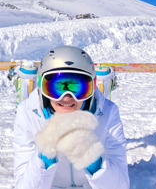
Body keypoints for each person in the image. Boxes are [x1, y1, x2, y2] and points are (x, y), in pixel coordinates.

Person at [13, 45, 130, 189]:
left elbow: (121, 186)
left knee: (99, 107)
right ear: (42, 87)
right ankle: (26, 82)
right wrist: (46, 155)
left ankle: (101, 86)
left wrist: (92, 160)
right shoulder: (27, 113)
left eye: (78, 88)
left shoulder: (109, 112)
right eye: (56, 88)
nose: (67, 98)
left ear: (92, 87)